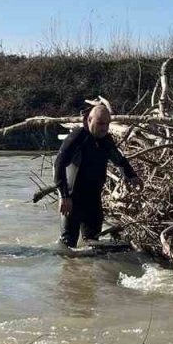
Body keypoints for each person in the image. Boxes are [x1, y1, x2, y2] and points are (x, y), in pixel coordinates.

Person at [54, 104, 142, 247]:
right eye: (100, 123)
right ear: (89, 120)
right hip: (72, 199)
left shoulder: (105, 140)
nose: (104, 128)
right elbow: (58, 165)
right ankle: (68, 269)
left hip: (93, 200)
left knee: (95, 244)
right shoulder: (77, 137)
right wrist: (64, 196)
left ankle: (90, 269)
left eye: (107, 124)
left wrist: (131, 176)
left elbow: (118, 158)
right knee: (67, 247)